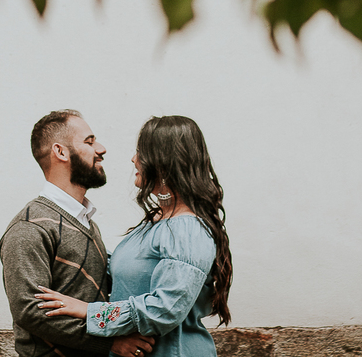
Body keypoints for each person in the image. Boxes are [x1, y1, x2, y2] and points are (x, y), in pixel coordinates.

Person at [34, 116, 232, 357]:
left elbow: (165, 309)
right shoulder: (155, 224)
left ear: (163, 161)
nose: (133, 159)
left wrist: (88, 311)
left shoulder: (187, 230)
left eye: (140, 152)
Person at [0, 109, 157, 357]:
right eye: (90, 141)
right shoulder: (30, 227)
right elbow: (31, 310)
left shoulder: (85, 221)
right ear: (60, 152)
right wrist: (109, 343)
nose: (101, 148)